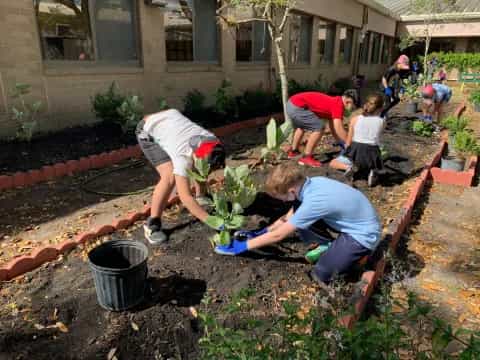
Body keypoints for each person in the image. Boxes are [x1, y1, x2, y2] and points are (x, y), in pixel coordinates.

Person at [214, 164, 381, 285]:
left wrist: (241, 247)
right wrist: (260, 232)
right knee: (300, 217)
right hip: (354, 223)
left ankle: (359, 262)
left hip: (362, 236)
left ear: (291, 191)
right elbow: (289, 217)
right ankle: (330, 247)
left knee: (322, 273)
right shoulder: (311, 183)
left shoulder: (314, 201)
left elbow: (280, 235)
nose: (279, 200)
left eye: (279, 197)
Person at [136, 108, 226, 244]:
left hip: (170, 119)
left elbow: (205, 164)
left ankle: (201, 195)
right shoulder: (182, 157)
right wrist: (212, 221)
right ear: (193, 155)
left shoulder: (212, 141)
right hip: (147, 130)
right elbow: (185, 197)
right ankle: (152, 225)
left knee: (200, 167)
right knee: (169, 177)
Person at [285, 90, 358, 167]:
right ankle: (307, 157)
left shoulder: (335, 102)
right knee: (319, 127)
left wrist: (340, 142)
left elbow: (333, 127)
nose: (353, 109)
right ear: (348, 101)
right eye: (354, 106)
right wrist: (349, 143)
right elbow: (338, 128)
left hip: (292, 103)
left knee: (302, 127)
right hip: (297, 106)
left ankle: (293, 152)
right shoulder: (338, 105)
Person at [329, 94, 385, 187]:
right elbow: (376, 137)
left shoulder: (355, 119)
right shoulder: (382, 121)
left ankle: (348, 167)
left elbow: (348, 141)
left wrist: (346, 149)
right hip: (372, 153)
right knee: (377, 158)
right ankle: (373, 170)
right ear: (380, 109)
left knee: (333, 163)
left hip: (356, 150)